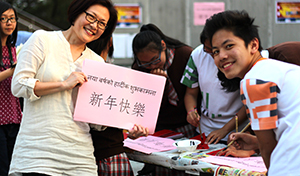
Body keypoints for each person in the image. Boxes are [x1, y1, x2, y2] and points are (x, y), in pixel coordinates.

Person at [9, 0, 118, 176]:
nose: (94, 25)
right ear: (76, 13)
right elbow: (18, 85)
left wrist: (129, 124)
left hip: (80, 158)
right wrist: (63, 85)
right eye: (91, 16)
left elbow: (96, 124)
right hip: (38, 155)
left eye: (102, 23)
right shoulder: (42, 39)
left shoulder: (97, 62)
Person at [206, 10, 300, 175]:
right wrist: (256, 142)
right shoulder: (281, 70)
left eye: (229, 46)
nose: (221, 56)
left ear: (253, 45)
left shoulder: (254, 80)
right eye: (215, 51)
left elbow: (268, 147)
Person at [131, 23, 194, 176]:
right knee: (163, 169)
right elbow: (147, 108)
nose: (150, 65)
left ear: (163, 46)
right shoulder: (139, 69)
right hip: (160, 128)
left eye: (155, 60)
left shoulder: (185, 55)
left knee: (189, 168)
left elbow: (194, 91)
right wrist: (156, 86)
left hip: (188, 124)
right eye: (145, 62)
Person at [87, 35, 149, 176]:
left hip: (79, 158)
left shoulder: (71, 71)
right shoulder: (112, 75)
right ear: (109, 42)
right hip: (110, 157)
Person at [181, 31, 248, 144]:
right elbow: (190, 93)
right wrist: (191, 111)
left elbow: (249, 105)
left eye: (215, 51)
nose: (213, 56)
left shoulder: (243, 58)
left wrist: (224, 130)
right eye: (208, 50)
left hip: (238, 133)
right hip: (204, 131)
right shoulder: (197, 55)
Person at [0, 0, 22, 176]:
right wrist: (12, 71)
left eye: (12, 18)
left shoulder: (14, 49)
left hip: (14, 116)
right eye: (4, 18)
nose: (9, 23)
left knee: (14, 167)